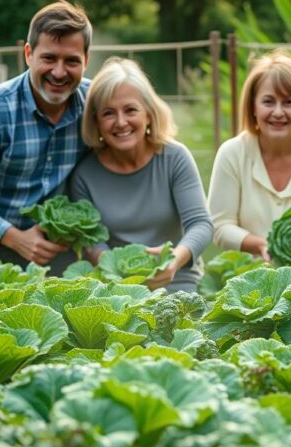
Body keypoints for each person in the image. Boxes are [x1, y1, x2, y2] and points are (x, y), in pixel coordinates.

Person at [0, 0, 92, 274]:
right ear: (28, 54)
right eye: (48, 58)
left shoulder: (95, 105)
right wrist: (16, 238)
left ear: (86, 61)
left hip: (53, 247)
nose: (59, 72)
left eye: (71, 61)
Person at [67, 58, 212, 292]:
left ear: (149, 113)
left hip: (178, 281)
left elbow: (200, 224)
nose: (121, 122)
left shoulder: (174, 158)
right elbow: (93, 243)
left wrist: (175, 260)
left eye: (130, 110)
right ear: (95, 121)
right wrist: (126, 279)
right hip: (117, 287)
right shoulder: (84, 175)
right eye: (108, 113)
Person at [208, 49, 291, 261]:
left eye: (289, 102)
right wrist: (264, 246)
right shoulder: (231, 154)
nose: (278, 112)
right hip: (246, 278)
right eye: (268, 102)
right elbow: (219, 226)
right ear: (253, 107)